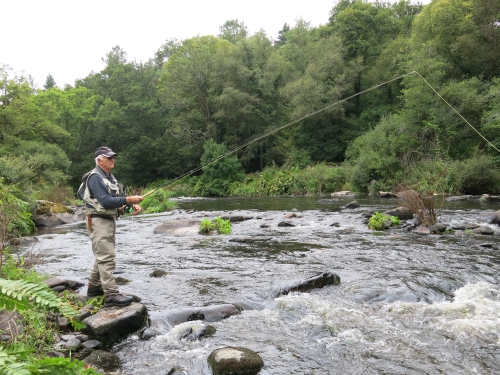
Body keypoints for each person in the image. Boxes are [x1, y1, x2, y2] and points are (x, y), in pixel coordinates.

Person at [82, 146, 144, 307]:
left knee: (102, 255)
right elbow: (105, 201)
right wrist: (128, 200)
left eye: (113, 157)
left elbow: (118, 198)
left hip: (108, 220)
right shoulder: (95, 177)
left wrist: (131, 205)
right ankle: (111, 295)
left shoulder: (110, 177)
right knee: (106, 257)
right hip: (98, 220)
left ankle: (94, 288)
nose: (112, 159)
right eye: (108, 157)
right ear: (99, 160)